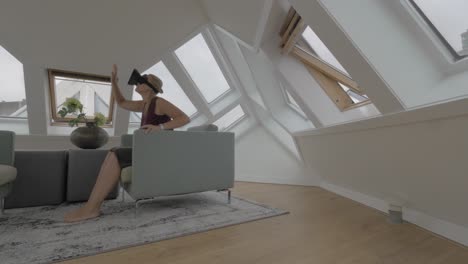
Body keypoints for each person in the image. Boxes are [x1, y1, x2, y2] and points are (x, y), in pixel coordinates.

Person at [64, 64, 190, 222]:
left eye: (143, 80)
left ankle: (92, 208)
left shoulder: (159, 102)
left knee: (116, 153)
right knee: (114, 151)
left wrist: (160, 127)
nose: (138, 82)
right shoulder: (144, 104)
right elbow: (121, 102)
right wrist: (114, 83)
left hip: (159, 152)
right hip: (147, 151)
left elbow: (184, 118)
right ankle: (91, 206)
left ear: (151, 87)